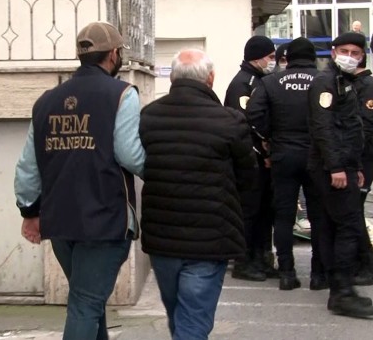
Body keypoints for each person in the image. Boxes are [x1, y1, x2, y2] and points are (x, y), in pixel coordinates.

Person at [14, 21, 145, 340]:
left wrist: (29, 211)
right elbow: (130, 154)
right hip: (105, 219)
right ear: (113, 54)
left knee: (88, 300)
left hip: (60, 220)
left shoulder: (46, 101)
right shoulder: (121, 94)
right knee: (86, 304)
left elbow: (28, 166)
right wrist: (165, 172)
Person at [139, 49, 256, 340]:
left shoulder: (149, 116)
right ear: (210, 78)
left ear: (173, 77)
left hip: (162, 238)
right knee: (191, 322)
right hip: (210, 238)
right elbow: (248, 177)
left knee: (179, 317)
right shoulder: (229, 121)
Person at [307, 32, 373, 318]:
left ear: (362, 57)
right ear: (334, 52)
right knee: (348, 226)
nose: (350, 56)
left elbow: (352, 128)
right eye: (345, 51)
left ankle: (342, 290)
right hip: (332, 168)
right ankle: (342, 291)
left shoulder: (344, 81)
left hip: (346, 165)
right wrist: (337, 167)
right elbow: (323, 127)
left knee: (340, 226)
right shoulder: (326, 82)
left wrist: (356, 166)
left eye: (356, 53)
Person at [247, 37, 327, 291]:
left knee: (283, 216)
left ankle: (286, 273)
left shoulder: (271, 82)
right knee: (318, 215)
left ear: (288, 58)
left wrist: (269, 136)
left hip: (283, 154)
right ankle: (318, 274)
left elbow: (254, 114)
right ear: (313, 58)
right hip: (317, 155)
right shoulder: (324, 80)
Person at [224, 35, 277, 281]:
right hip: (250, 161)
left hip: (261, 161)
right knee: (249, 213)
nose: (273, 62)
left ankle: (260, 258)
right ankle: (243, 262)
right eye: (270, 57)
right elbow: (245, 123)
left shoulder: (259, 80)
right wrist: (263, 151)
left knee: (264, 212)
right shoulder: (243, 84)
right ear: (257, 58)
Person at [352, 55, 373, 286]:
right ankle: (360, 263)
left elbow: (367, 128)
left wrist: (355, 162)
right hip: (352, 157)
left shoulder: (368, 86)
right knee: (351, 212)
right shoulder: (348, 82)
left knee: (354, 212)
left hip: (363, 157)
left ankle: (369, 265)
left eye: (352, 53)